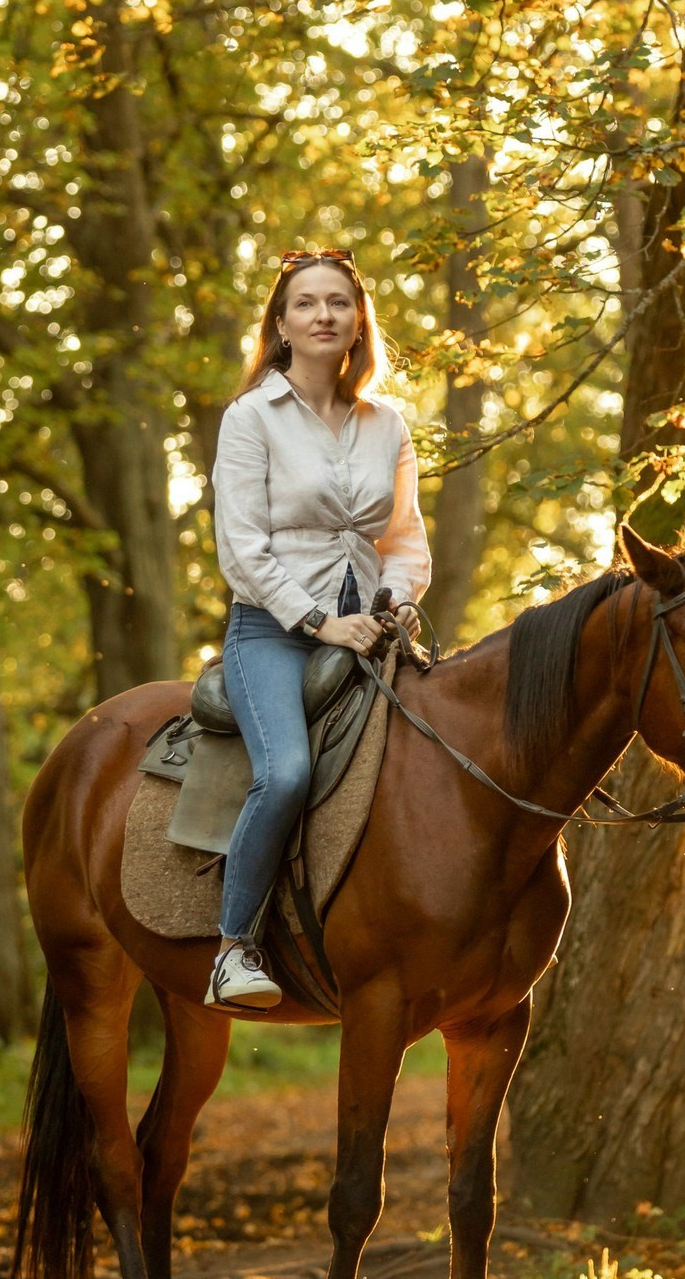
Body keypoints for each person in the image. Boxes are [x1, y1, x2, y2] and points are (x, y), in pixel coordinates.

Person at [208, 248, 432, 1010]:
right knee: (289, 773)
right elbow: (242, 549)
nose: (324, 315)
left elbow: (404, 537)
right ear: (281, 326)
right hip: (271, 632)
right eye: (306, 304)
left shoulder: (387, 423)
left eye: (338, 302)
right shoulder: (250, 419)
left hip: (373, 630)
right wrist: (319, 623)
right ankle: (234, 948)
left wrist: (394, 602)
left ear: (358, 322)